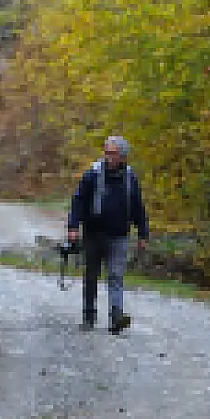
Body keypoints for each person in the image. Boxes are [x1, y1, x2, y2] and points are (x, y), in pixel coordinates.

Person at [66, 133, 149, 333]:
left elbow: (138, 206)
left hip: (119, 235)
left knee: (115, 275)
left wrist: (143, 234)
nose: (108, 157)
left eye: (112, 153)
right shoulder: (92, 174)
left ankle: (116, 318)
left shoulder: (130, 177)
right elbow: (78, 200)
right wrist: (73, 227)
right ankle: (89, 316)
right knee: (91, 276)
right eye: (107, 152)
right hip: (93, 234)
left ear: (123, 156)